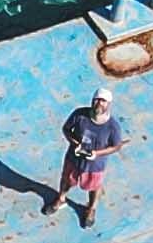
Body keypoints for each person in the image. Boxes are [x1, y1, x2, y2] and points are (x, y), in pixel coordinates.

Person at [51, 88, 130, 223]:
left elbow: (116, 146)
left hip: (95, 165)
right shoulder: (79, 114)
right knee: (66, 180)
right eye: (97, 100)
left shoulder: (113, 126)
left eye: (103, 101)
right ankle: (61, 199)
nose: (99, 103)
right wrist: (74, 143)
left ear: (109, 104)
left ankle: (91, 208)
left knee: (94, 187)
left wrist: (97, 154)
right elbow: (66, 129)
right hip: (73, 159)